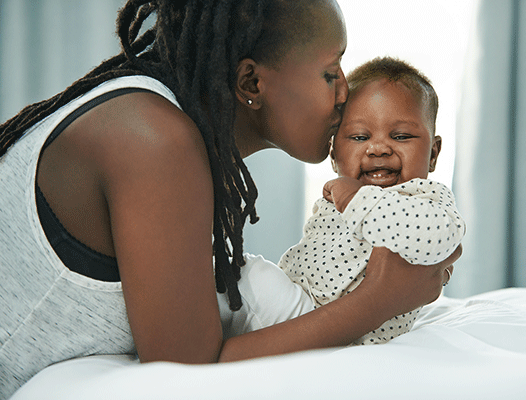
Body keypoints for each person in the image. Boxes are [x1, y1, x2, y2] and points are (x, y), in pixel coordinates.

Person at [0, 1, 459, 397]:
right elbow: (187, 377)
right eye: (329, 72)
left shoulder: (163, 123)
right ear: (251, 83)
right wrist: (380, 299)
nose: (345, 93)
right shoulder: (153, 140)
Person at [279, 56, 466, 344]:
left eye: (401, 136)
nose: (378, 148)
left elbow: (439, 238)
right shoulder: (336, 197)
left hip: (358, 332)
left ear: (433, 154)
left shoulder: (426, 198)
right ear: (333, 155)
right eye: (358, 137)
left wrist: (358, 201)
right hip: (292, 304)